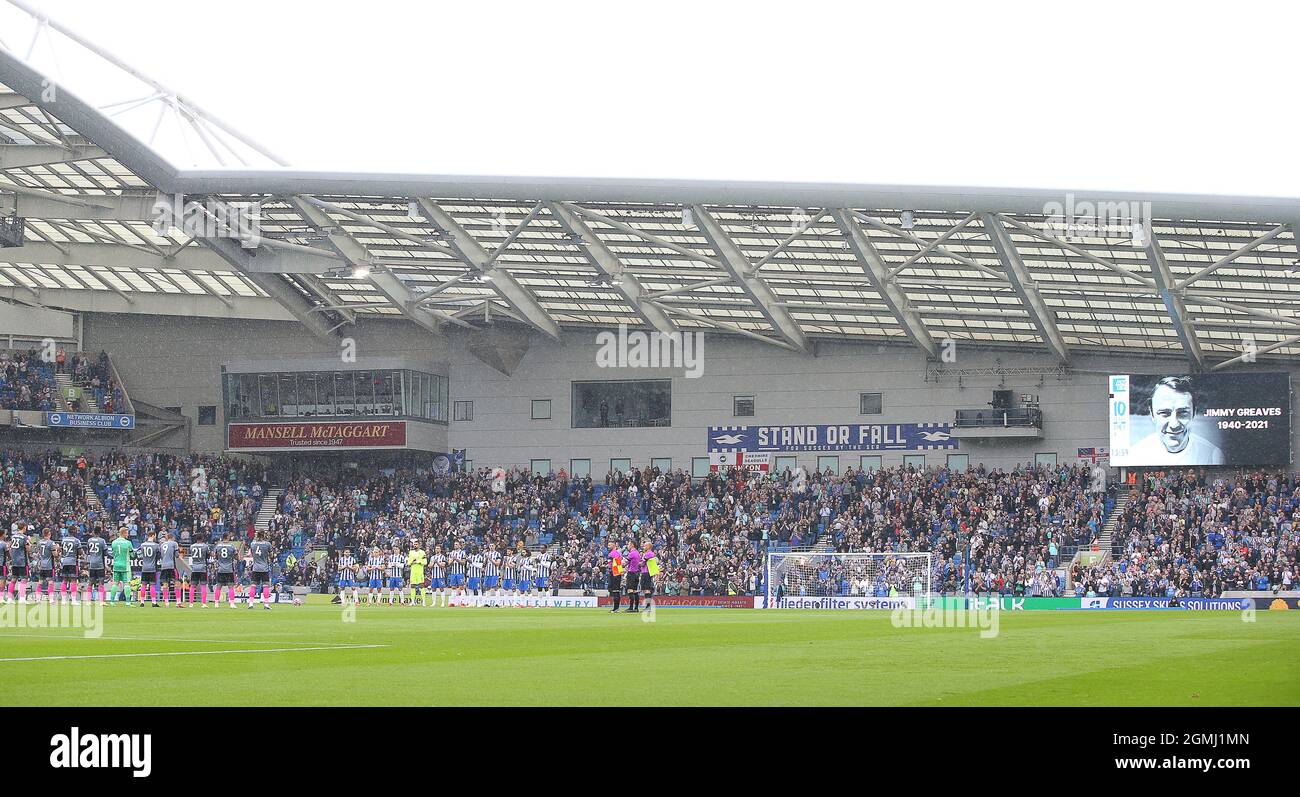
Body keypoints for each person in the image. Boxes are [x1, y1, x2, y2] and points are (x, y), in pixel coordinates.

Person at [1128, 376, 1225, 465]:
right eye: (1164, 413)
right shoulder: (1134, 456)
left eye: (1182, 413)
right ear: (1152, 414)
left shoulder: (1213, 456)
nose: (1174, 424)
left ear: (1194, 413)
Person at [247, 532, 274, 609]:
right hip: (264, 568)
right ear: (264, 535)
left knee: (253, 586)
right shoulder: (267, 544)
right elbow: (271, 555)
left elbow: (252, 554)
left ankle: (251, 604)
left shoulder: (253, 544)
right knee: (265, 586)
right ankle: (266, 604)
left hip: (255, 568)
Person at [83, 526, 108, 606]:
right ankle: (101, 601)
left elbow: (88, 552)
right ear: (100, 532)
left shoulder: (89, 540)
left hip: (92, 564)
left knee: (90, 582)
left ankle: (88, 601)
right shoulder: (102, 541)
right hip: (100, 564)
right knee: (101, 582)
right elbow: (105, 553)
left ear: (94, 532)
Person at [213, 534, 239, 608]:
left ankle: (216, 603)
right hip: (229, 569)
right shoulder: (232, 546)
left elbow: (215, 556)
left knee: (218, 586)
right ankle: (232, 603)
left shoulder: (218, 546)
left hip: (220, 569)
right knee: (231, 587)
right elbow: (237, 557)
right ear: (227, 537)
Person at [110, 527, 134, 605]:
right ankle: (127, 602)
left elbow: (113, 554)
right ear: (124, 533)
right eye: (127, 533)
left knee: (115, 583)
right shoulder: (128, 543)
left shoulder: (114, 542)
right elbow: (132, 554)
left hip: (116, 565)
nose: (128, 534)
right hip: (125, 566)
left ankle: (112, 602)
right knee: (127, 583)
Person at [158, 532, 182, 607]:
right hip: (171, 566)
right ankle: (178, 602)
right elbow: (177, 555)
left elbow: (161, 556)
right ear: (172, 537)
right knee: (177, 582)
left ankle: (166, 603)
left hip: (163, 566)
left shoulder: (162, 545)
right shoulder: (174, 543)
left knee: (165, 584)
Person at [58, 529, 81, 605]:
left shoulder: (63, 540)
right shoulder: (77, 540)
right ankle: (73, 600)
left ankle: (63, 600)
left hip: (64, 561)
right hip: (73, 562)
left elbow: (61, 550)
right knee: (73, 581)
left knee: (64, 581)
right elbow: (80, 552)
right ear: (74, 532)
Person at [35, 528, 57, 604]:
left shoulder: (39, 542)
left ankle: (37, 599)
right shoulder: (51, 543)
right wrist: (57, 550)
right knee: (50, 582)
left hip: (41, 564)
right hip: (49, 565)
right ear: (49, 534)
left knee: (40, 582)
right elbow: (55, 554)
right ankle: (51, 600)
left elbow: (38, 552)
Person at [138, 533, 160, 607]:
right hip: (152, 568)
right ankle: (153, 602)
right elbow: (159, 555)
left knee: (143, 585)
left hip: (144, 568)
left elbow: (138, 554)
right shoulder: (156, 545)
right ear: (153, 536)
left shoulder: (142, 545)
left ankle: (142, 602)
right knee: (152, 586)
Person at [188, 537, 211, 608]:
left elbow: (191, 555)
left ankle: (191, 603)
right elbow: (208, 556)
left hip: (194, 568)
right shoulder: (205, 546)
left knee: (192, 586)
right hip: (202, 568)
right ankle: (203, 603)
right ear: (202, 539)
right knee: (203, 586)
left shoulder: (192, 546)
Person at [406, 542, 427, 606]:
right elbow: (408, 563)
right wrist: (412, 562)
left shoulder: (422, 552)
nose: (415, 545)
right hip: (413, 572)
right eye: (414, 544)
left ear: (419, 545)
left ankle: (423, 601)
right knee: (412, 586)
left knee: (421, 586)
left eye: (416, 544)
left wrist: (418, 561)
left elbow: (425, 562)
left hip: (420, 572)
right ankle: (412, 601)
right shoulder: (411, 552)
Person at [607, 544, 624, 612]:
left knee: (616, 590)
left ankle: (616, 608)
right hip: (613, 572)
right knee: (613, 590)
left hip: (615, 573)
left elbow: (618, 562)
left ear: (614, 546)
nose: (608, 546)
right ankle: (615, 608)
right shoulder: (612, 553)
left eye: (609, 545)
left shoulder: (615, 553)